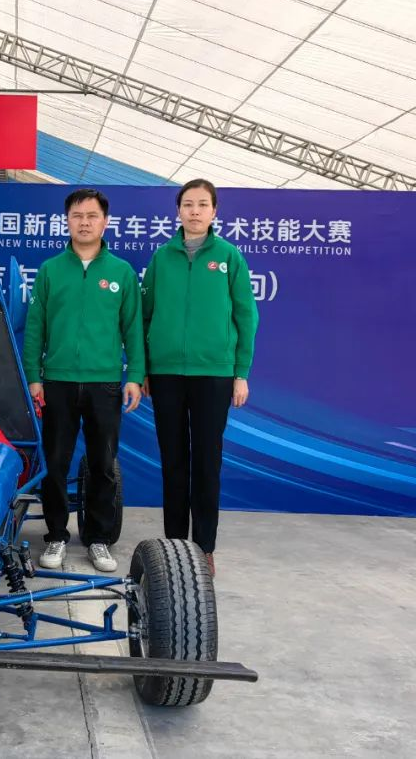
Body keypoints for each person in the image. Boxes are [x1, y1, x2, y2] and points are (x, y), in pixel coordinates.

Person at [23, 188, 145, 573]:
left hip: (104, 383)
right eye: (77, 216)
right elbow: (35, 328)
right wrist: (34, 376)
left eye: (92, 216)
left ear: (105, 222)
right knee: (55, 462)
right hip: (57, 382)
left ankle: (98, 539)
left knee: (103, 464)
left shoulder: (121, 272)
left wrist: (135, 376)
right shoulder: (50, 270)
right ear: (67, 221)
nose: (85, 222)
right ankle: (56, 535)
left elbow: (133, 329)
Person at [141, 178, 258, 577]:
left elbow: (246, 316)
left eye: (202, 204)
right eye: (188, 204)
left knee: (207, 463)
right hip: (167, 374)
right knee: (173, 462)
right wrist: (145, 369)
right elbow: (145, 316)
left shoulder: (229, 257)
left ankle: (204, 547)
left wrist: (240, 373)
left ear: (214, 212)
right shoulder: (162, 258)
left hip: (214, 375)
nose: (194, 211)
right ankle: (176, 548)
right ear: (178, 211)